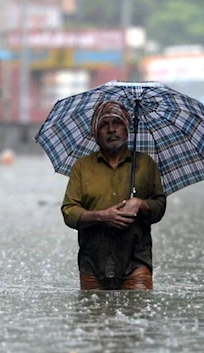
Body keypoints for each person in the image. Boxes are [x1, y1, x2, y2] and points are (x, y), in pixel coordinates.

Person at [61, 101, 167, 290]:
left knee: (139, 314)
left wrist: (140, 204)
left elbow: (159, 206)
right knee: (93, 316)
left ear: (127, 129)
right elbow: (69, 211)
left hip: (136, 260)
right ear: (96, 133)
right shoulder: (82, 167)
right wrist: (102, 216)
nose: (111, 130)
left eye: (117, 123)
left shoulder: (145, 164)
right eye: (104, 125)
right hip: (93, 261)